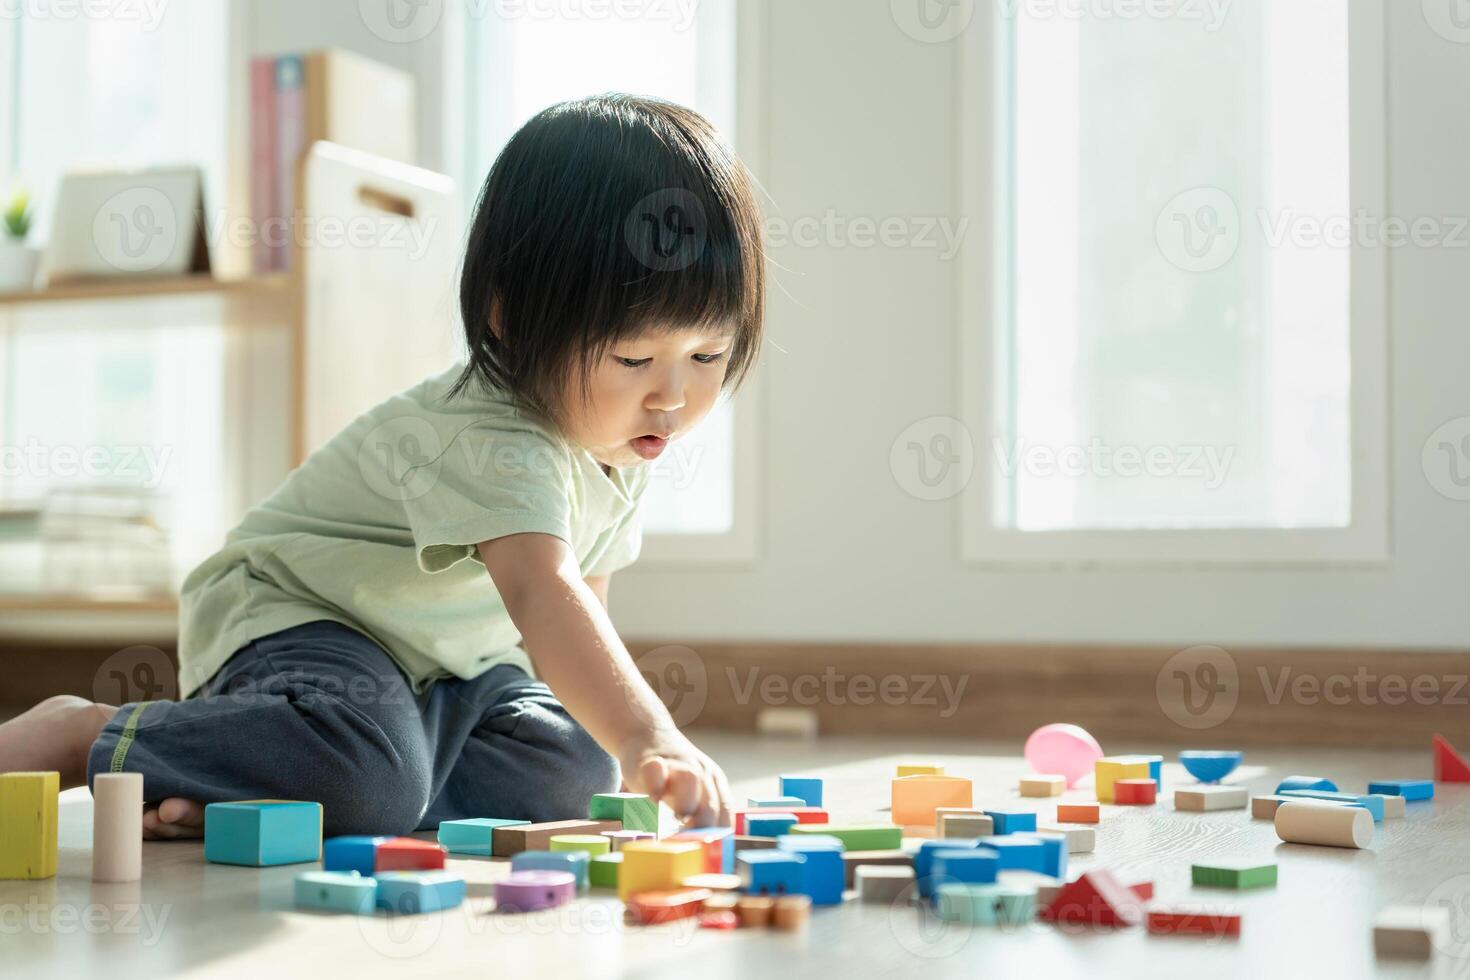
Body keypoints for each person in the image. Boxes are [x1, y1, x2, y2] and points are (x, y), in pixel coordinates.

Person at [0, 93, 764, 838]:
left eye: (707, 354)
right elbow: (543, 594)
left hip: (439, 677)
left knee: (572, 766)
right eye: (634, 357)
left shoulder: (621, 441)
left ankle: (274, 785)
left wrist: (614, 743)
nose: (671, 395)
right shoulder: (495, 430)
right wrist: (651, 735)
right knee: (373, 769)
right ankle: (93, 733)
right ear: (509, 316)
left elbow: (577, 628)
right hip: (302, 621)